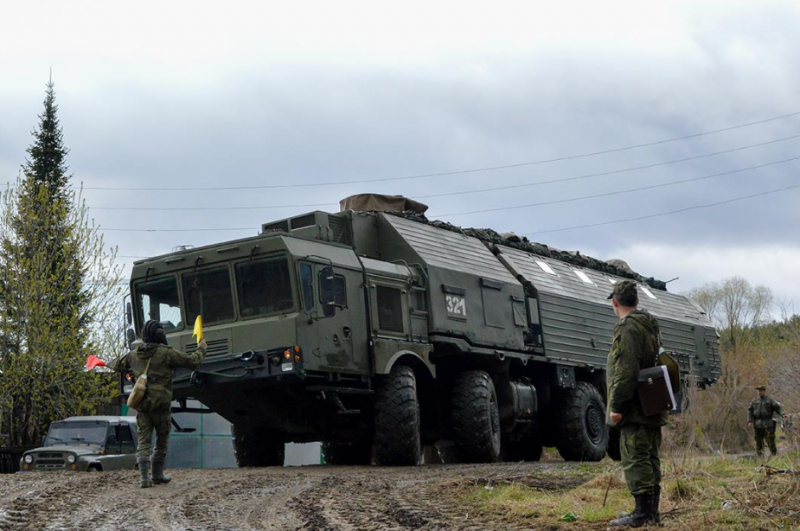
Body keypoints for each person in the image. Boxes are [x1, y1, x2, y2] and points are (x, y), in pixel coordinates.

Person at [110, 319, 206, 488]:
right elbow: (192, 362)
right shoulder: (166, 353)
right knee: (162, 440)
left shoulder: (133, 354)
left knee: (144, 441)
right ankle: (157, 475)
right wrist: (201, 349)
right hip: (161, 406)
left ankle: (144, 478)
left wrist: (101, 362)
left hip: (143, 405)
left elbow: (117, 365)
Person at [606, 280, 667, 528]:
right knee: (649, 457)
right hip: (652, 400)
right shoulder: (650, 325)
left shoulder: (628, 328)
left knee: (635, 458)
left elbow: (626, 371)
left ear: (615, 302)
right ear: (637, 301)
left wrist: (617, 406)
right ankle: (650, 512)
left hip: (636, 406)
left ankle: (642, 514)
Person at [748, 385, 788, 458]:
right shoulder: (754, 401)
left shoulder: (770, 401)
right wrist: (750, 421)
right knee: (758, 442)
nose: (759, 392)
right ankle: (760, 457)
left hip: (768, 423)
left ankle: (774, 456)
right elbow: (750, 412)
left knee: (770, 440)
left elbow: (778, 408)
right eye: (758, 391)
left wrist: (782, 414)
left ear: (764, 391)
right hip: (757, 424)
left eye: (761, 391)